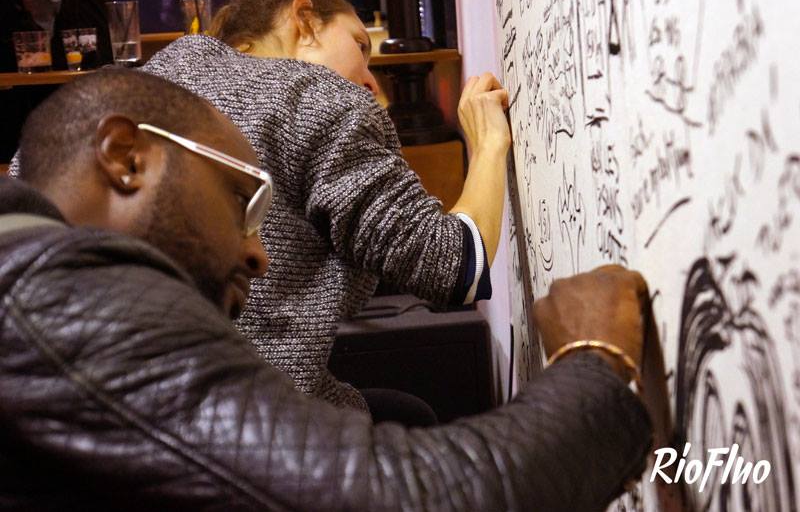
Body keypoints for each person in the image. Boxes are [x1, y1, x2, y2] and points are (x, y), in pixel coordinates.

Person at [1, 69, 654, 510]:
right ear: (126, 157)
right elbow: (403, 495)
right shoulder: (50, 295)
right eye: (245, 200)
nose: (258, 253)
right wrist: (593, 360)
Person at [141, 0, 509, 413]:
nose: (370, 81)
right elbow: (456, 267)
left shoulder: (158, 79)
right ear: (305, 20)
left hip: (134, 408)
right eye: (359, 46)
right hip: (249, 416)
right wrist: (488, 143)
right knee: (409, 415)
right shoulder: (316, 98)